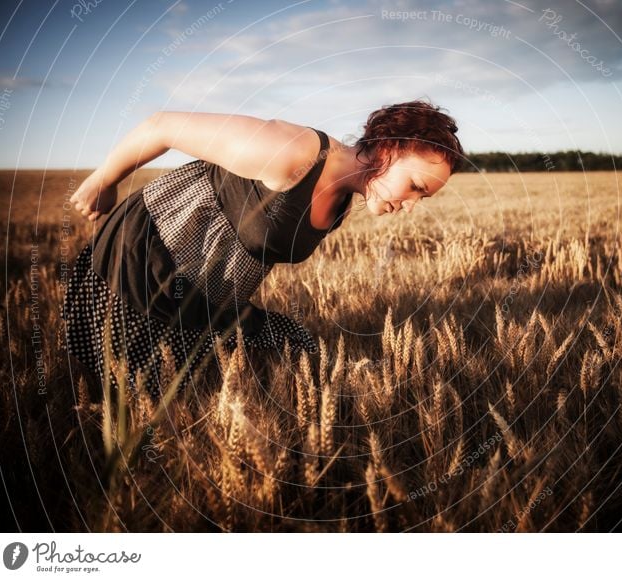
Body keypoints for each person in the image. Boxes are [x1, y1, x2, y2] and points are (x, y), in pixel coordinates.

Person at [61, 98, 465, 399]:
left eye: (422, 199)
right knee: (140, 402)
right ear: (389, 150)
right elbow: (161, 125)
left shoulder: (344, 198)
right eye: (415, 187)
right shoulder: (294, 154)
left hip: (208, 295)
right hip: (147, 263)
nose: (410, 206)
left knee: (296, 351)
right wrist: (103, 180)